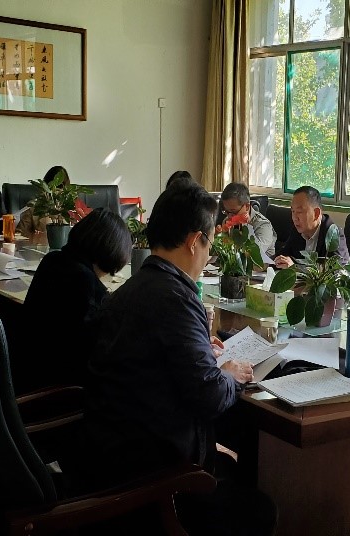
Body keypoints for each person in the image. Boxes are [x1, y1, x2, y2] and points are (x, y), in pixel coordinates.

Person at [68, 183, 274, 535]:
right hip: (151, 479)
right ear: (195, 241)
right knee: (260, 509)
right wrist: (231, 373)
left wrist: (199, 349)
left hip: (109, 455)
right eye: (209, 244)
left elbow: (154, 357)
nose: (208, 256)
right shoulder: (177, 297)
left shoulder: (131, 288)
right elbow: (209, 395)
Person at [23, 208, 131, 387]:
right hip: (60, 388)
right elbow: (93, 350)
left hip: (28, 372)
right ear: (110, 252)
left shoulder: (52, 259)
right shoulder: (84, 281)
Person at [274, 186, 349, 268]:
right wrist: (266, 264)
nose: (294, 218)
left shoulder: (334, 234)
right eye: (293, 211)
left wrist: (295, 268)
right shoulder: (297, 230)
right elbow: (282, 255)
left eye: (299, 211)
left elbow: (336, 271)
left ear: (316, 213)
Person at [220, 182, 277, 257]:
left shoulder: (263, 225)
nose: (230, 216)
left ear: (247, 207)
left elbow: (255, 254)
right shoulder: (228, 220)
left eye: (233, 211)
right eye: (226, 211)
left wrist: (246, 228)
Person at [17, 165, 70, 237]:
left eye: (61, 187)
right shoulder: (33, 206)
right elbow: (19, 233)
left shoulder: (71, 208)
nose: (57, 191)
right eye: (53, 187)